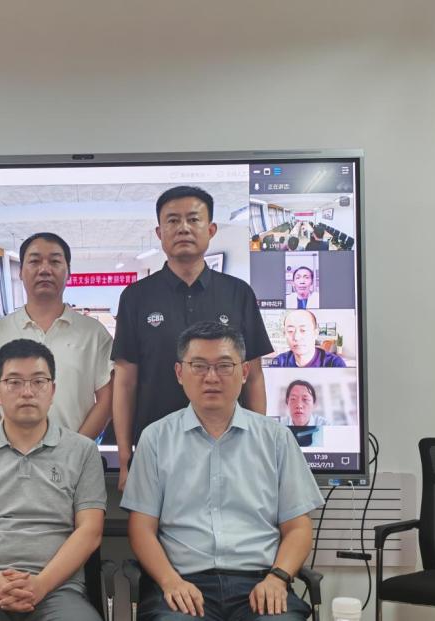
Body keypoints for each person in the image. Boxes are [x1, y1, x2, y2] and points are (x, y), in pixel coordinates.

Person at [122, 321, 324, 621]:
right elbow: (141, 529)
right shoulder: (155, 438)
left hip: (259, 582)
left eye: (224, 366)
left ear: (244, 372)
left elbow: (298, 527)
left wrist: (278, 578)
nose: (211, 377)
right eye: (199, 366)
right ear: (180, 373)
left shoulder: (277, 438)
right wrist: (170, 581)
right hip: (184, 583)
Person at [112, 186, 273, 489]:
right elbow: (125, 382)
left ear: (211, 229)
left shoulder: (238, 293)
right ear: (159, 233)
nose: (183, 228)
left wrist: (256, 446)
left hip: (229, 449)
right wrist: (124, 458)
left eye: (193, 219)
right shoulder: (135, 297)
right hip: (155, 452)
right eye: (173, 220)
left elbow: (253, 378)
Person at [0, 339, 106, 621]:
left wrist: (40, 585)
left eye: (38, 382)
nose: (27, 392)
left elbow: (90, 531)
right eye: (14, 382)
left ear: (52, 391)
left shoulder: (82, 451)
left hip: (57, 590)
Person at [0, 232, 113, 439]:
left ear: (68, 272)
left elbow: (107, 400)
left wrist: (75, 449)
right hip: (8, 456)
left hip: (76, 455)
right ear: (21, 272)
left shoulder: (94, 333)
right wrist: (10, 447)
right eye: (35, 261)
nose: (45, 270)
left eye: (55, 262)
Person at [272, 310, 346, 368]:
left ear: (315, 333)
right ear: (285, 334)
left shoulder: (334, 363)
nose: (296, 337)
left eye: (303, 330)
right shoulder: (279, 362)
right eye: (290, 331)